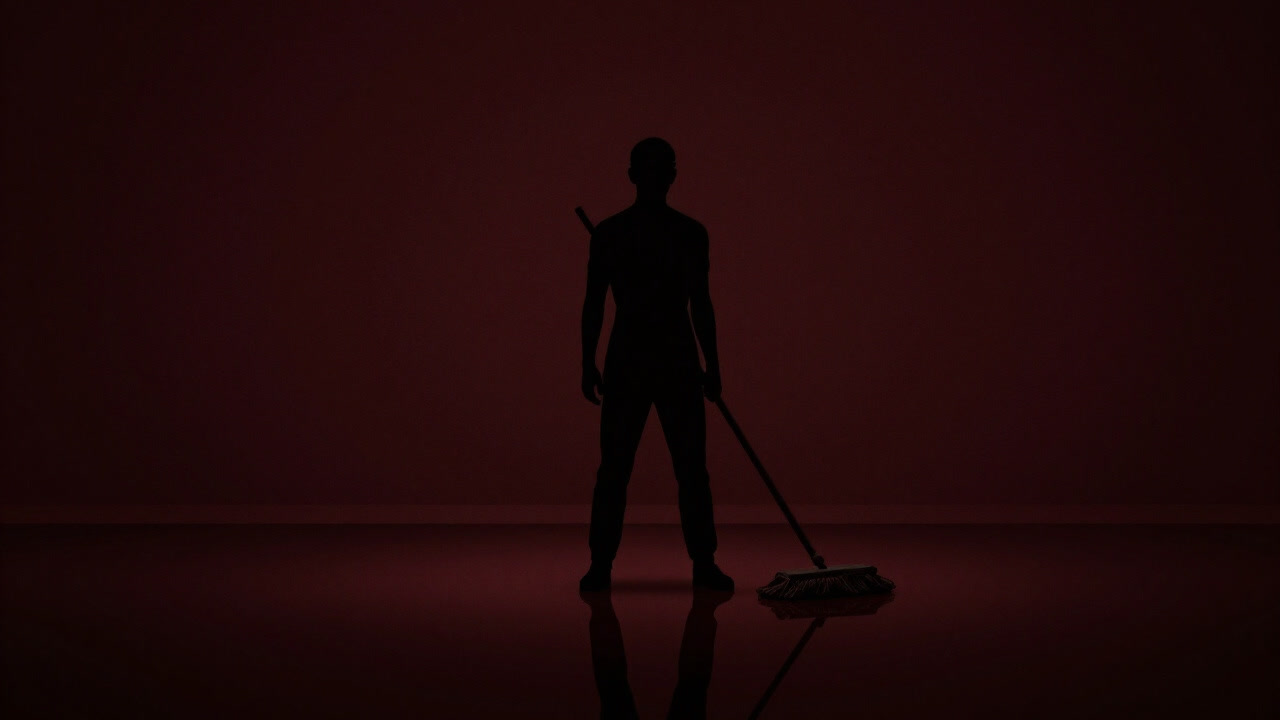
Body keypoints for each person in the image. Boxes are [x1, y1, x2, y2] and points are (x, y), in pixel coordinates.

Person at [579, 137, 733, 593]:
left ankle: (703, 563)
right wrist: (587, 362)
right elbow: (593, 304)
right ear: (637, 176)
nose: (655, 177)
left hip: (674, 357)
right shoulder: (612, 234)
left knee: (688, 467)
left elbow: (701, 304)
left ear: (670, 176)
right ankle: (601, 566)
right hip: (634, 358)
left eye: (660, 169)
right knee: (617, 467)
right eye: (650, 169)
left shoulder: (687, 233)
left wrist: (713, 363)